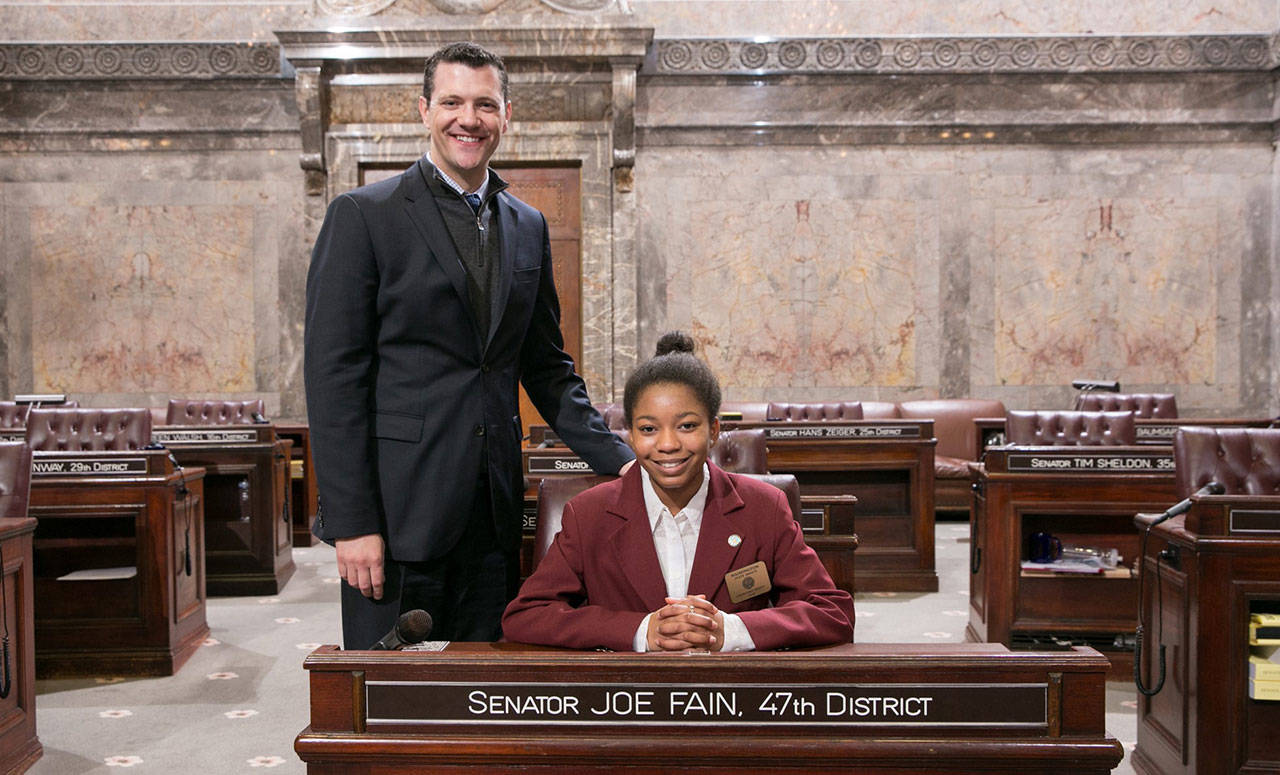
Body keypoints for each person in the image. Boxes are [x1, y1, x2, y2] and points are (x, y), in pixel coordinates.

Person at [304, 41, 634, 649]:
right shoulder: (363, 215)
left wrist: (625, 462)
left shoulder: (528, 226)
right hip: (397, 518)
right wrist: (352, 522)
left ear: (506, 115)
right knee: (397, 708)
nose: (469, 119)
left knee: (483, 697)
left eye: (485, 104)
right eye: (452, 102)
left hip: (493, 513)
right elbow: (333, 382)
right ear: (424, 110)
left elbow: (546, 369)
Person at [502, 333, 854, 651]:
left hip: (730, 702)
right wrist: (642, 630)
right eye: (649, 428)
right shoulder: (589, 513)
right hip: (626, 702)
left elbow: (832, 613)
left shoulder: (763, 507)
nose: (668, 444)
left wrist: (729, 630)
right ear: (632, 435)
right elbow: (527, 616)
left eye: (687, 426)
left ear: (713, 430)